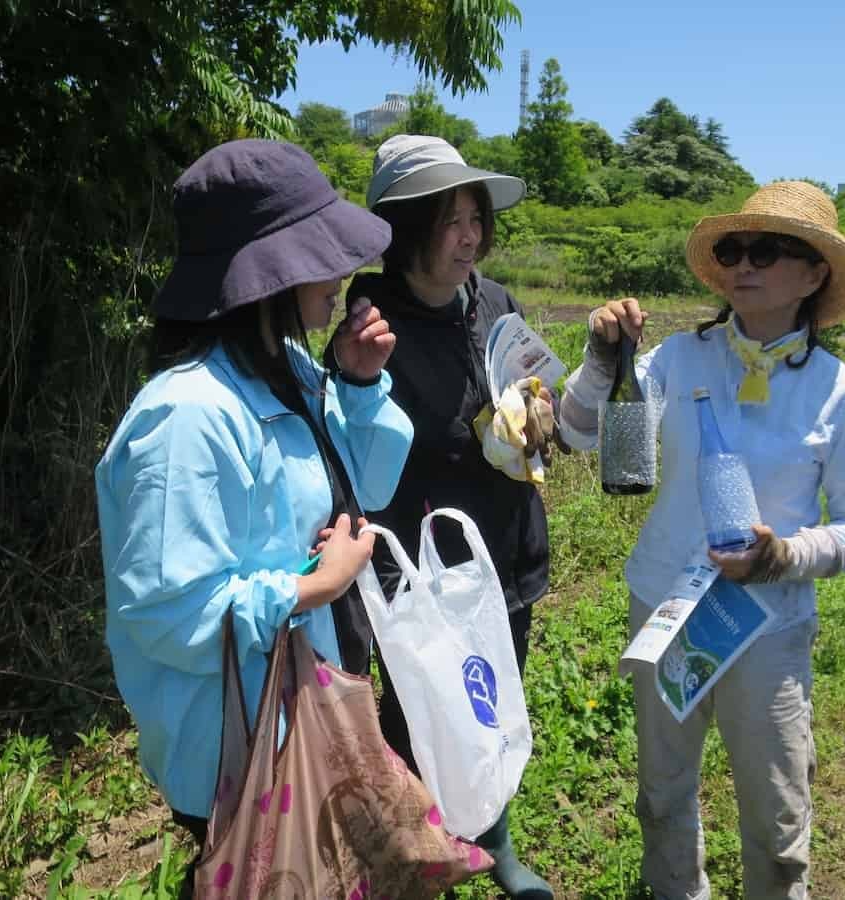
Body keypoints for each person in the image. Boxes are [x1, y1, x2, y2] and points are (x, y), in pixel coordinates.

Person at [558, 181, 845, 899]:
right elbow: (583, 437)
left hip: (767, 623)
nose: (745, 263)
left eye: (768, 250)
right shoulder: (678, 359)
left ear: (814, 274)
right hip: (667, 603)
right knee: (664, 787)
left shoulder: (840, 391)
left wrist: (785, 555)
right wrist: (600, 357)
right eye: (734, 249)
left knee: (775, 809)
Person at [94, 140, 413, 872]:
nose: (342, 277)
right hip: (238, 748)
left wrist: (358, 385)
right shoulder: (187, 416)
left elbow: (364, 487)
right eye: (322, 258)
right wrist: (314, 587)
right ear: (272, 274)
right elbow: (165, 613)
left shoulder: (288, 372)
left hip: (307, 706)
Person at [331, 134, 557, 899]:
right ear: (403, 229)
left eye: (475, 218)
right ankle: (416, 854)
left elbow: (531, 393)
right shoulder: (371, 323)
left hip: (503, 542)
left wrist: (536, 418)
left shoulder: (496, 303)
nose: (468, 237)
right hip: (418, 563)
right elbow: (351, 450)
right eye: (449, 220)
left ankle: (494, 838)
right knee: (420, 714)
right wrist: (352, 375)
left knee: (493, 700)